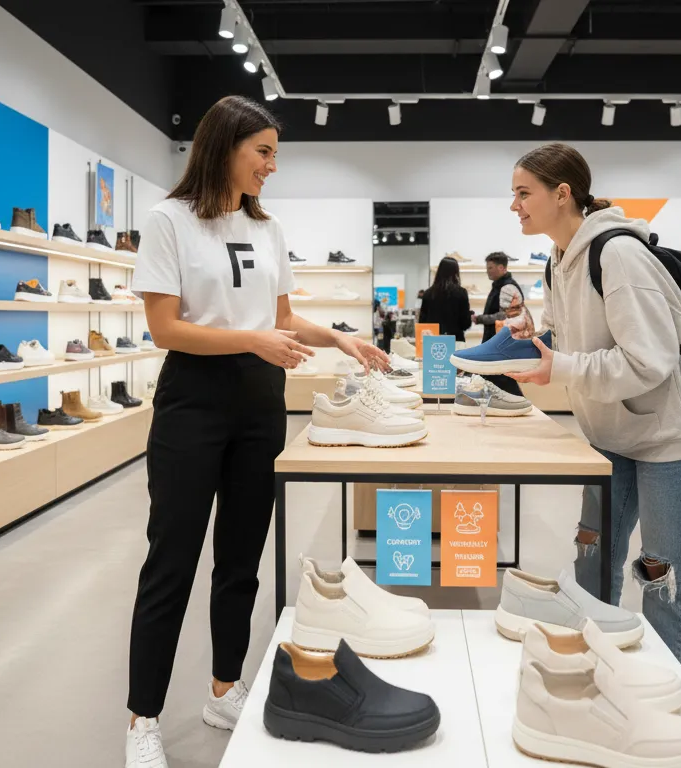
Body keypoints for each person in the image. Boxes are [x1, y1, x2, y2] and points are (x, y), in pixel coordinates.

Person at [125, 95, 388, 768]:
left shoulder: (265, 227)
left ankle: (223, 688)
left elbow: (284, 319)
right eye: (263, 151)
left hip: (259, 403)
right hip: (193, 402)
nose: (273, 165)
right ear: (225, 146)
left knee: (240, 560)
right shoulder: (169, 220)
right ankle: (142, 720)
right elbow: (166, 329)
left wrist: (337, 338)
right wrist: (254, 341)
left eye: (276, 153)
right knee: (172, 561)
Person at [504, 143, 681, 673]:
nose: (514, 206)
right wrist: (539, 336)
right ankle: (595, 669)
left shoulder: (617, 255)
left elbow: (651, 362)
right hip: (609, 432)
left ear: (562, 194)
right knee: (593, 560)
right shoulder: (558, 260)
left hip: (668, 439)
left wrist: (565, 369)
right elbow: (574, 337)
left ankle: (664, 698)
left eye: (523, 193)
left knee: (662, 576)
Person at [473, 251, 525, 395]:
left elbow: (504, 316)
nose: (487, 271)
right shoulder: (500, 286)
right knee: (496, 375)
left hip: (500, 341)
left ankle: (518, 403)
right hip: (498, 340)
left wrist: (481, 319)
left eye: (490, 267)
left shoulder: (507, 288)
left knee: (500, 376)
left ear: (502, 268)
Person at [418, 256, 473, 341]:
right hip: (455, 339)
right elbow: (465, 324)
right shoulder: (461, 293)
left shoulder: (428, 294)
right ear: (456, 272)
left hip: (432, 341)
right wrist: (470, 315)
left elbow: (422, 322)